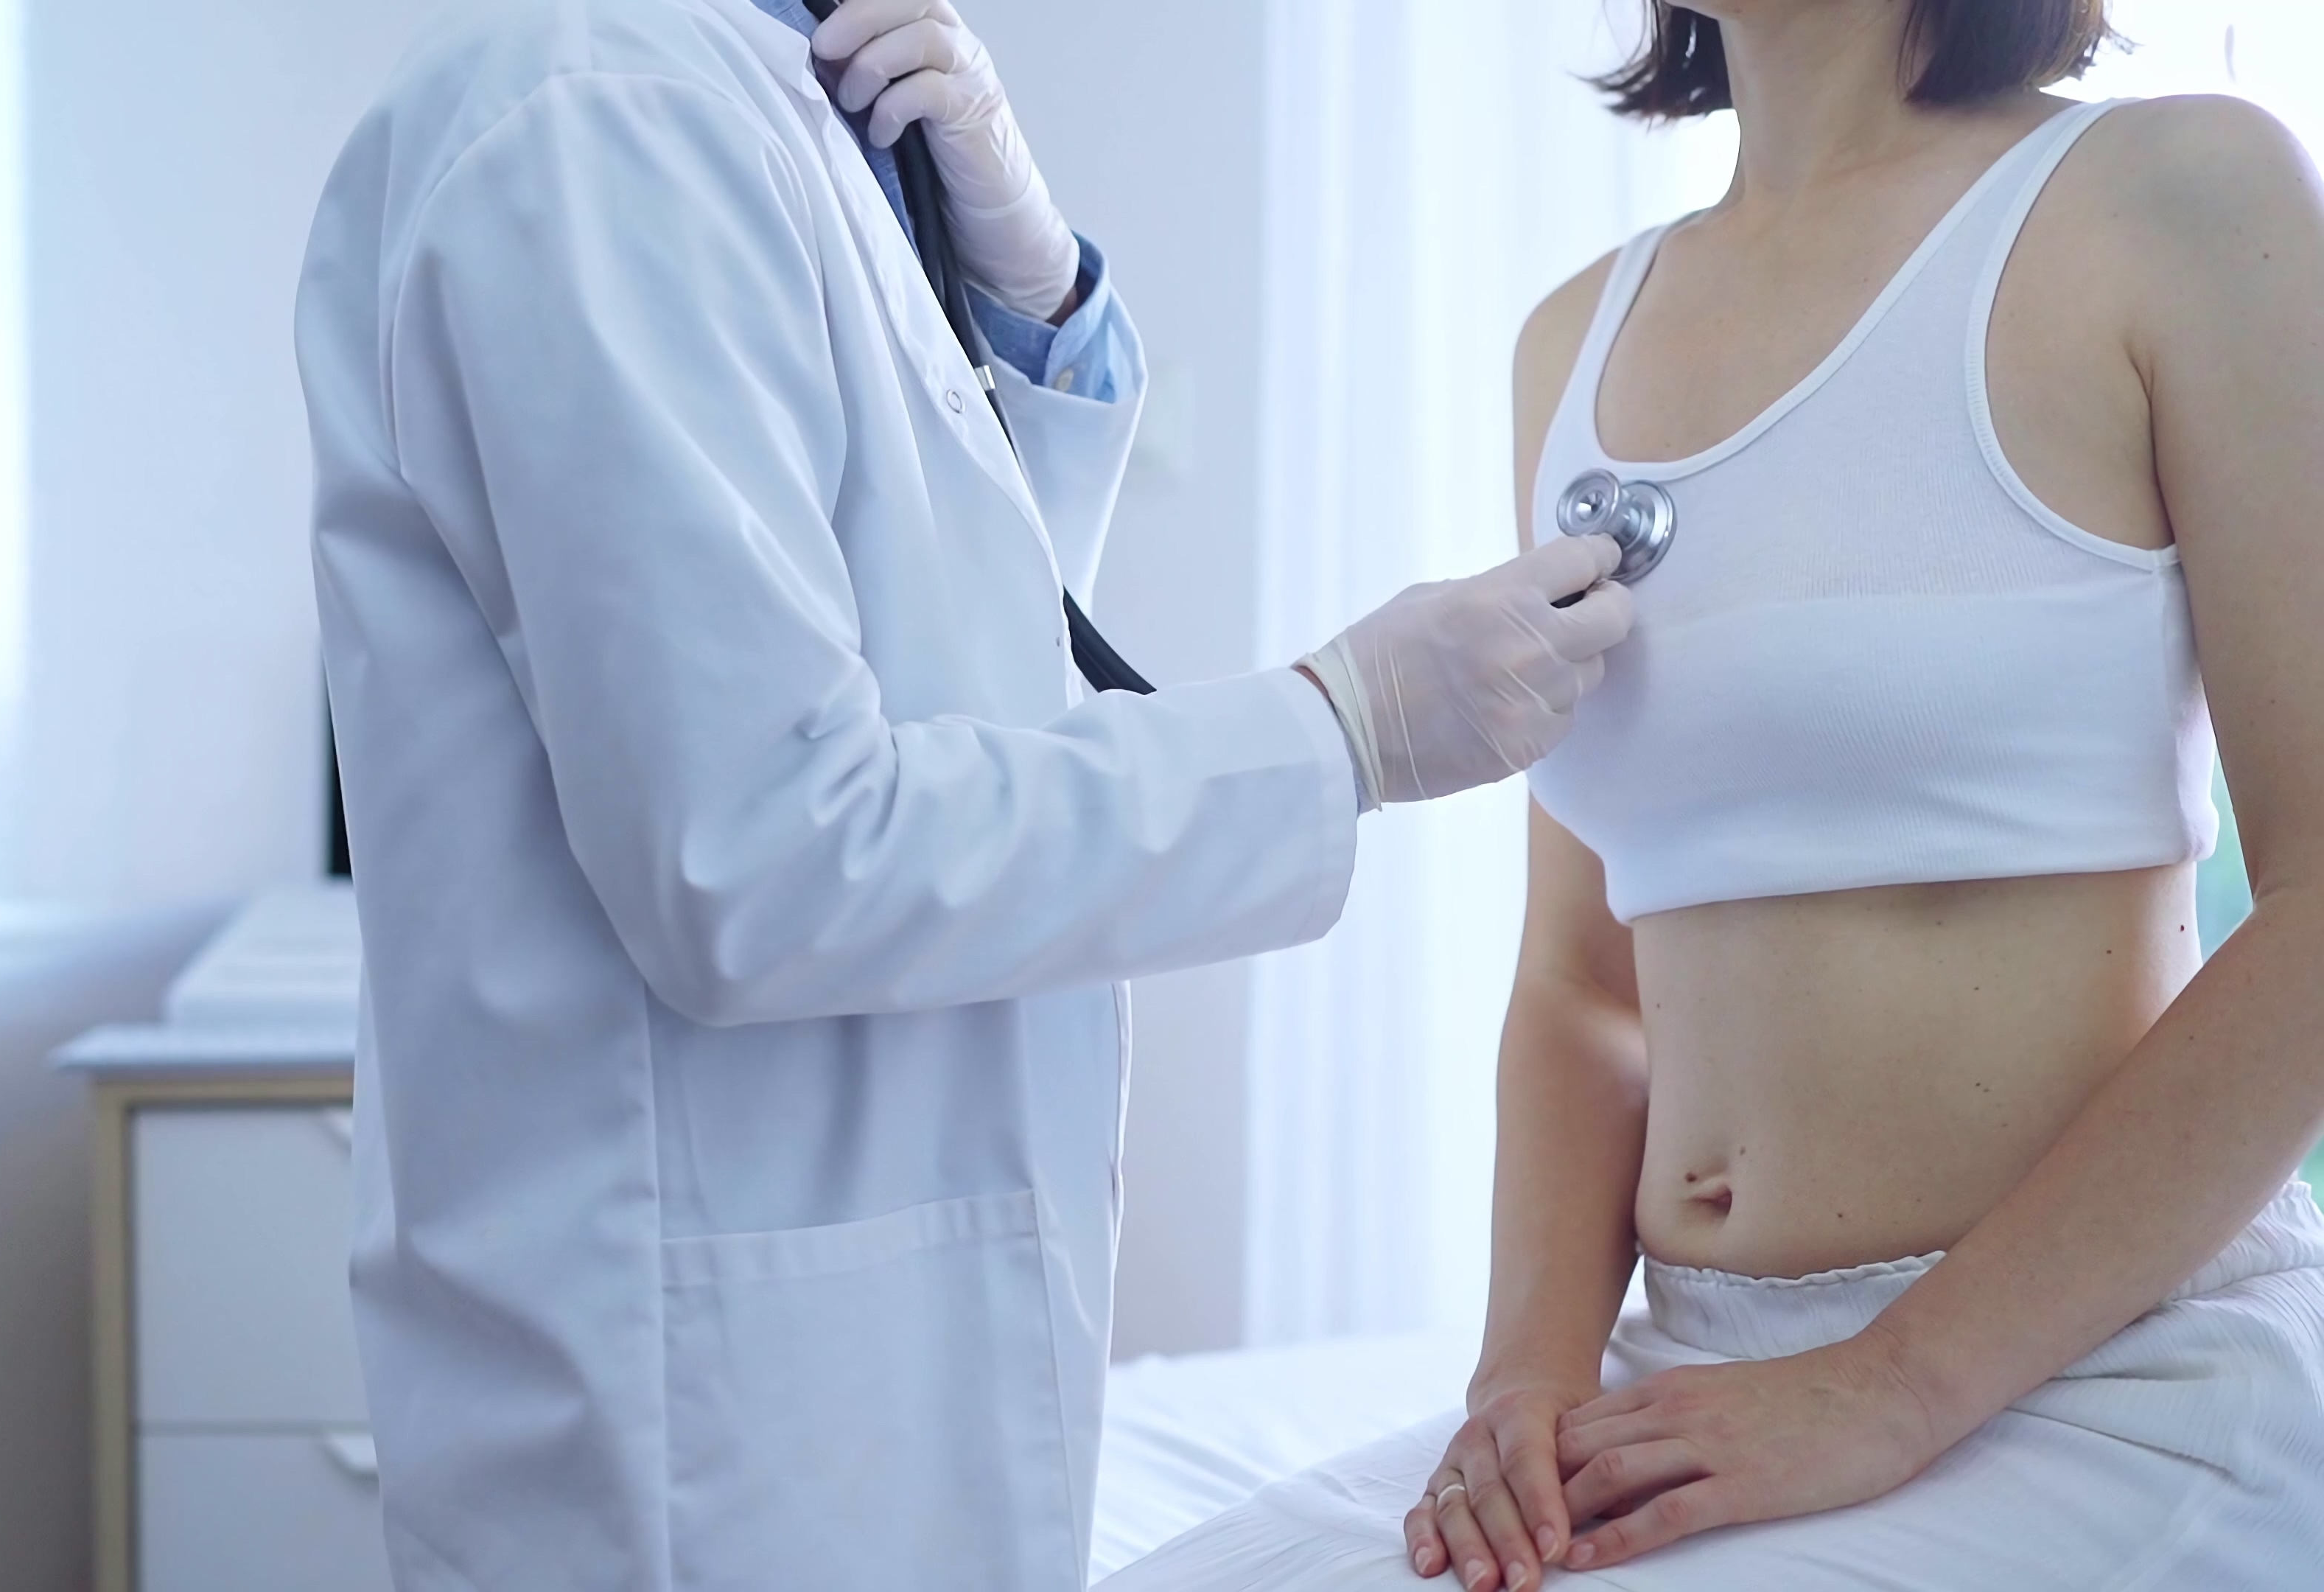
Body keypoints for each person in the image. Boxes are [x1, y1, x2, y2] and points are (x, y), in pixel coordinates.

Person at [292, 0, 1635, 1587]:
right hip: (699, 1404)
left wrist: (1034, 309)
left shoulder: (763, 101)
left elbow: (951, 651)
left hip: (837, 1359)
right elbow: (761, 856)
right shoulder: (598, 117)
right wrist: (1341, 731)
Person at [1102, 1, 2324, 1588]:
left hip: (2099, 1372)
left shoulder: (2182, 195)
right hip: (1692, 1368)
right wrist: (1522, 1386)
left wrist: (1893, 1387)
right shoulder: (1577, 338)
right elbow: (1584, 983)